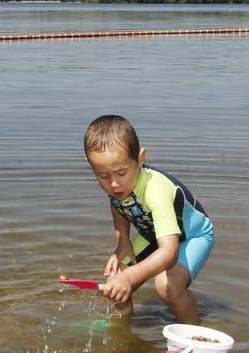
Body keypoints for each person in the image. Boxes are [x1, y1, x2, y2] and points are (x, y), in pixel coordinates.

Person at [83, 115, 214, 324]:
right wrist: (123, 240)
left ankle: (194, 335)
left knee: (168, 287)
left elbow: (169, 253)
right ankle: (121, 332)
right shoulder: (118, 186)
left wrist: (130, 276)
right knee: (114, 284)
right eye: (103, 176)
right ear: (92, 167)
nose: (114, 184)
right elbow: (118, 205)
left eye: (121, 173)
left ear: (140, 158)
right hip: (152, 235)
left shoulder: (156, 190)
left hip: (191, 237)